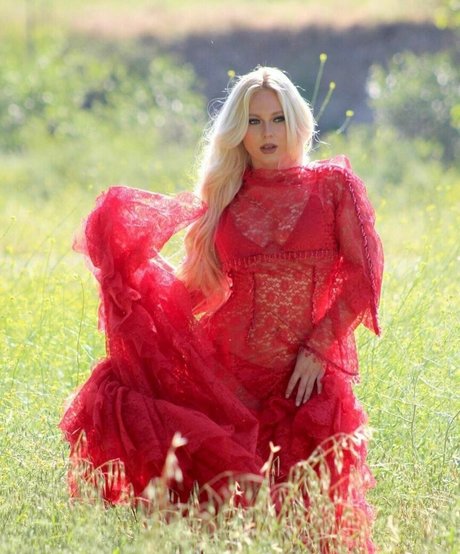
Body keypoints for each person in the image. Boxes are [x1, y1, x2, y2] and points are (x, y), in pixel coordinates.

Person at [59, 66, 383, 551]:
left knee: (314, 527)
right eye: (254, 122)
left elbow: (364, 278)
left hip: (305, 384)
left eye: (277, 119)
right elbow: (198, 289)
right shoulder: (225, 194)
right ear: (238, 131)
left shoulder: (333, 186)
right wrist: (137, 302)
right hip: (225, 384)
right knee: (228, 527)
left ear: (297, 122)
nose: (268, 133)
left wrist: (318, 348)